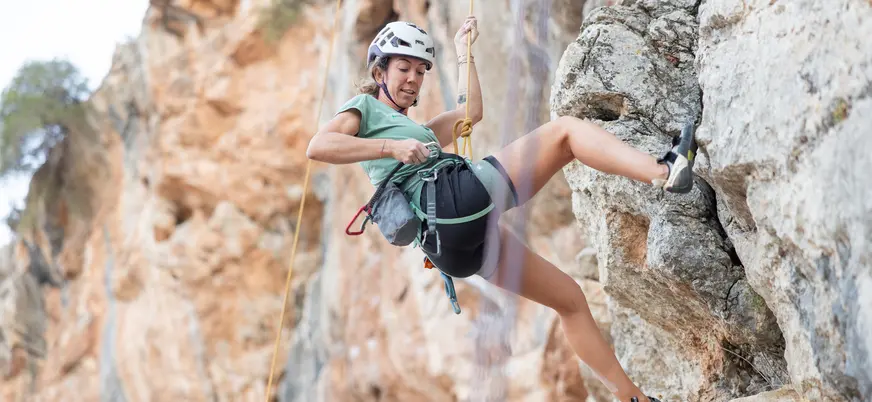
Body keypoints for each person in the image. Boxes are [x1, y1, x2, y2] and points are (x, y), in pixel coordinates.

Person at [307, 16, 697, 402]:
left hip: (452, 247)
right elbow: (319, 146)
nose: (413, 79)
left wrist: (464, 54)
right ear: (380, 71)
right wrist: (389, 148)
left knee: (570, 300)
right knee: (564, 131)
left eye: (420, 71)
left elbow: (469, 115)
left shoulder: (419, 132)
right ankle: (663, 170)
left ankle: (634, 399)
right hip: (450, 204)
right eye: (403, 68)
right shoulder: (364, 109)